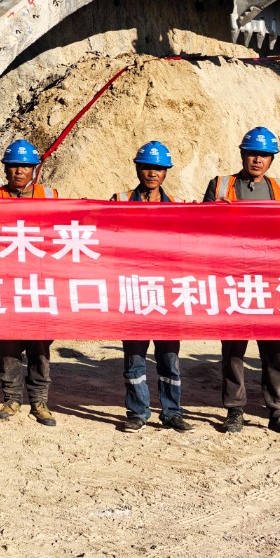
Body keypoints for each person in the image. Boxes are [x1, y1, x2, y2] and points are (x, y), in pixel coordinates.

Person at [203, 126, 280, 438]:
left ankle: (277, 411)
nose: (257, 160)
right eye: (252, 154)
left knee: (274, 350)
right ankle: (235, 410)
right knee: (233, 350)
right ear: (242, 155)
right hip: (234, 279)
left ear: (271, 159)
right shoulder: (220, 185)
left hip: (272, 282)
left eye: (263, 155)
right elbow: (202, 229)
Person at [112, 140, 185, 434]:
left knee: (169, 359)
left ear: (165, 172)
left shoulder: (178, 207)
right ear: (138, 168)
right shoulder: (118, 200)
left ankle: (172, 412)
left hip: (166, 293)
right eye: (147, 167)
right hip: (132, 290)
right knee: (135, 358)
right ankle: (138, 412)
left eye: (158, 168)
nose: (152, 173)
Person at [0, 139, 57, 428]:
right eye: (14, 166)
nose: (19, 171)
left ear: (34, 169)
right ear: (6, 168)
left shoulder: (50, 195)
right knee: (9, 345)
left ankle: (40, 401)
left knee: (39, 345)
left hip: (38, 282)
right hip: (6, 283)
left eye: (26, 166)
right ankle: (12, 398)